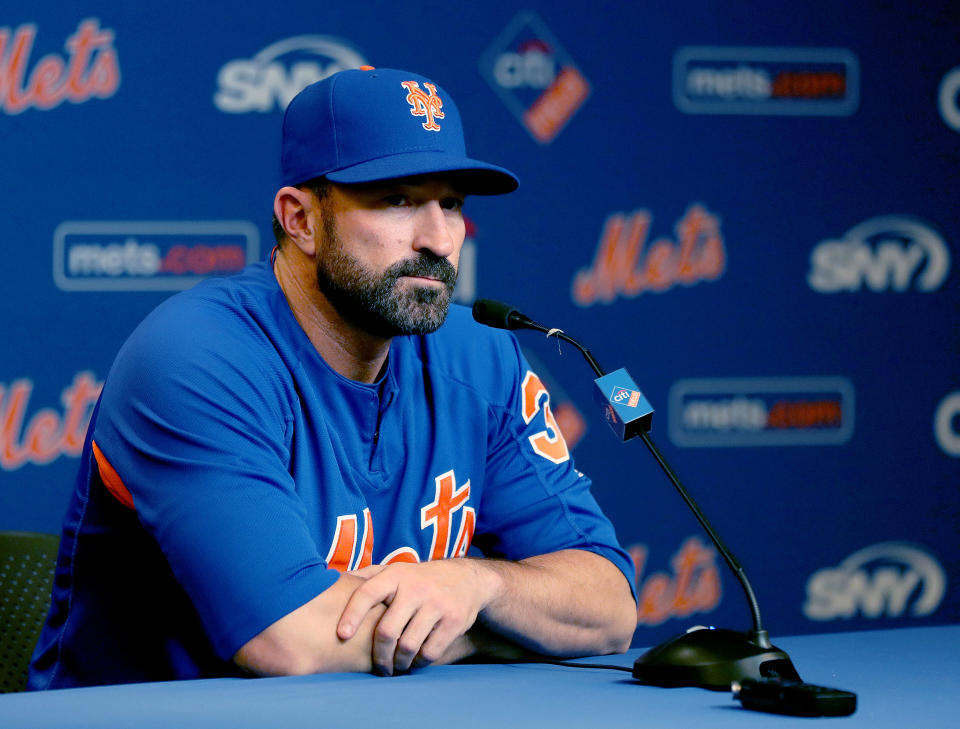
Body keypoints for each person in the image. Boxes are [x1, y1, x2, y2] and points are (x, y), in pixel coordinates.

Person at [28, 67, 637, 689]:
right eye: (397, 200)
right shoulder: (196, 357)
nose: (438, 238)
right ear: (301, 220)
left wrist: (478, 583)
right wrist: (494, 628)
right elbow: (288, 640)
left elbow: (609, 609)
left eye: (450, 204)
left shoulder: (481, 358)